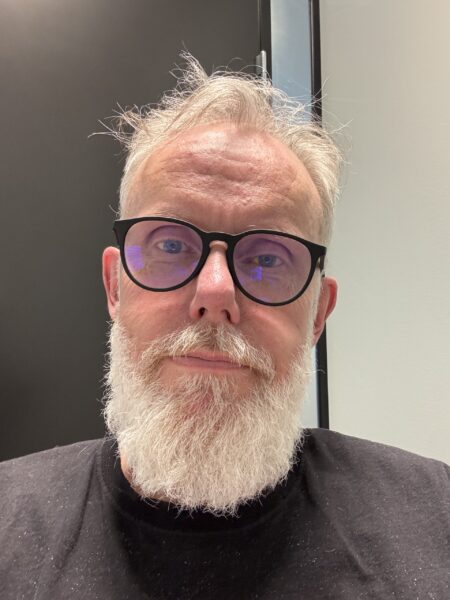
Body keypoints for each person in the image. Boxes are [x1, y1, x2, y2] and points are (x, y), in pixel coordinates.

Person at [0, 55, 448, 600]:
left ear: (317, 314)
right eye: (170, 244)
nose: (215, 294)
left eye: (268, 259)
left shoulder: (435, 518)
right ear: (115, 286)